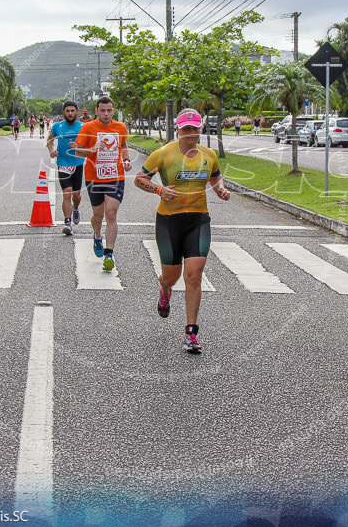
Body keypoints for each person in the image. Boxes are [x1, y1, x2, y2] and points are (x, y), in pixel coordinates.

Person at [135, 108, 230, 354]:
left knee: (194, 276)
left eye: (195, 129)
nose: (191, 134)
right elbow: (139, 179)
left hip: (198, 221)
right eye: (186, 129)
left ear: (201, 129)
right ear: (178, 129)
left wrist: (220, 189)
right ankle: (165, 291)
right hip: (169, 222)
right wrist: (159, 190)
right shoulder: (163, 154)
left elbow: (216, 178)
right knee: (171, 277)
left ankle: (191, 332)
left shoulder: (209, 155)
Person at [72, 96, 130, 271]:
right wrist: (92, 149)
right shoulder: (88, 127)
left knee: (111, 214)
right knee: (98, 216)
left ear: (113, 111)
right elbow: (78, 153)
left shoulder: (120, 127)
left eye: (109, 110)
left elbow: (124, 144)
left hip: (116, 177)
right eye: (102, 110)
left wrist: (126, 159)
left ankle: (109, 253)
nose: (106, 114)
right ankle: (97, 236)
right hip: (94, 178)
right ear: (96, 111)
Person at [47, 100, 86, 236]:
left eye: (72, 111)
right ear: (64, 112)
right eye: (67, 111)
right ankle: (67, 222)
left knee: (76, 195)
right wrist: (51, 150)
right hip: (63, 163)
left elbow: (90, 144)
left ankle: (76, 208)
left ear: (77, 112)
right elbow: (49, 139)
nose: (70, 113)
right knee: (67, 192)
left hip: (78, 163)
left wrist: (79, 147)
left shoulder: (83, 126)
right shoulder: (58, 126)